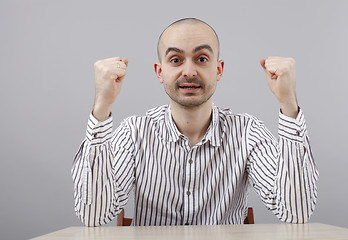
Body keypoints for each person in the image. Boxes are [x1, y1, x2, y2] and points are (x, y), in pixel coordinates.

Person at [72, 18, 319, 227]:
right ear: (160, 72)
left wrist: (288, 103)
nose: (189, 72)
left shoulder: (248, 132)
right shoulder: (134, 132)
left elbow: (295, 212)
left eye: (201, 59)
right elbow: (94, 216)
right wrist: (102, 106)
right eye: (176, 60)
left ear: (219, 70)